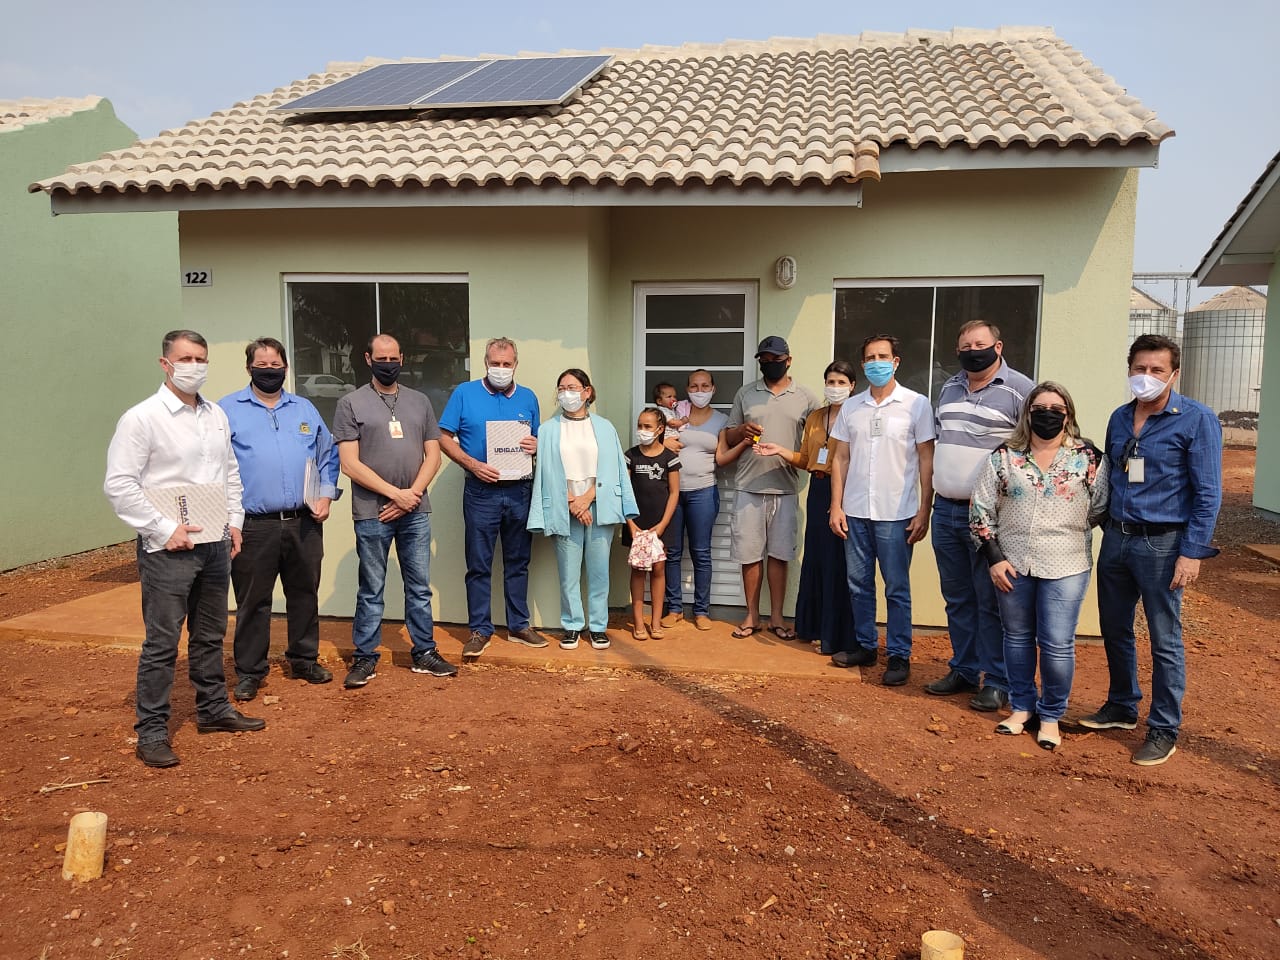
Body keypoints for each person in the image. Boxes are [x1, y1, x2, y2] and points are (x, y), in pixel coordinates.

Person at [104, 329, 265, 769]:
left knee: (210, 634)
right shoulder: (142, 418)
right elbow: (119, 485)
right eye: (186, 358)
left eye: (201, 358)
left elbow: (229, 472)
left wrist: (235, 523)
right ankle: (152, 730)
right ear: (165, 364)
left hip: (214, 543)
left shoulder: (215, 415)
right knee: (162, 642)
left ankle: (213, 709)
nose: (195, 365)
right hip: (168, 550)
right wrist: (162, 528)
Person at [1078, 334, 1223, 766]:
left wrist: (1192, 552)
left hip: (1164, 544)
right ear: (1129, 370)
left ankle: (1163, 727)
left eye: (1157, 370)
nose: (1147, 377)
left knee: (1164, 638)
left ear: (1173, 374)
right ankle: (1122, 705)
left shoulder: (1197, 419)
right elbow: (1114, 475)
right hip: (1117, 538)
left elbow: (1209, 493)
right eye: (1139, 368)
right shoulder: (1120, 418)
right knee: (1115, 628)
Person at [970, 382, 1109, 751]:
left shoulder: (1088, 458)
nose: (1047, 413)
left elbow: (1100, 507)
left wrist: (1065, 529)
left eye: (1056, 407)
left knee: (1057, 643)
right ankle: (1021, 708)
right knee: (1015, 638)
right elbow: (981, 509)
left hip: (1067, 563)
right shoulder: (1004, 457)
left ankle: (1050, 715)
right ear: (1027, 413)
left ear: (1069, 414)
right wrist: (995, 559)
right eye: (1039, 407)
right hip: (1012, 563)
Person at [218, 337, 341, 701]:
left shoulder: (304, 409)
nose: (269, 371)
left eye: (276, 365)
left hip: (303, 522)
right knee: (253, 600)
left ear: (286, 368)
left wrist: (326, 494)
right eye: (262, 365)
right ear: (249, 368)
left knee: (304, 593)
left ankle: (303, 659)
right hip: (255, 525)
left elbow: (327, 454)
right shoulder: (227, 411)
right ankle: (250, 671)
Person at [333, 333, 455, 689]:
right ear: (368, 359)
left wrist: (412, 495)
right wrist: (394, 495)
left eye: (394, 358)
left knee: (419, 586)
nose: (388, 364)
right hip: (373, 512)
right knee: (371, 587)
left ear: (403, 359)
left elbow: (433, 453)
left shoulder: (420, 402)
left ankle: (424, 652)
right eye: (381, 358)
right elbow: (349, 464)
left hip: (415, 510)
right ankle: (365, 657)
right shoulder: (351, 403)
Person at [927, 319, 1035, 710]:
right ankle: (964, 668)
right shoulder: (948, 387)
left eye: (980, 343)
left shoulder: (1020, 390)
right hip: (946, 510)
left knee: (991, 599)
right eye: (966, 345)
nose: (973, 350)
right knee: (957, 597)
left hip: (991, 518)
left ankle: (997, 680)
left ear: (998, 346)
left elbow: (1034, 447)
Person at [827, 337, 935, 685]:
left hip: (897, 512)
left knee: (896, 588)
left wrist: (924, 510)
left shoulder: (916, 405)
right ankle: (866, 645)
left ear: (896, 361)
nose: (876, 362)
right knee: (858, 584)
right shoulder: (852, 407)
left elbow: (925, 459)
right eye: (870, 357)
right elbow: (840, 458)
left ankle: (899, 655)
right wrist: (836, 505)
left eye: (883, 357)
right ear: (862, 364)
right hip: (856, 510)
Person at [437, 337, 546, 661]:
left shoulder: (528, 397)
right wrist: (472, 464)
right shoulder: (463, 394)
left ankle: (518, 625)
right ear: (485, 363)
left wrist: (536, 445)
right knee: (479, 564)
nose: (501, 369)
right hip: (481, 491)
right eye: (495, 363)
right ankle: (480, 630)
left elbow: (538, 437)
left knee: (518, 561)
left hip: (519, 490)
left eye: (507, 364)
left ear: (516, 364)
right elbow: (443, 437)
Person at [528, 368, 639, 650]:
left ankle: (598, 627)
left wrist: (587, 499)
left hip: (598, 506)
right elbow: (547, 473)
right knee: (568, 573)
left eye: (573, 387)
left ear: (587, 392)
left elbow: (612, 469)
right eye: (562, 387)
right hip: (564, 508)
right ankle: (572, 625)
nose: (567, 393)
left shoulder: (604, 427)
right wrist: (572, 502)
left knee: (600, 572)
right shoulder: (548, 429)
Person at [754, 361, 858, 654]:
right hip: (818, 489)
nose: (835, 388)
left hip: (849, 491)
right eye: (830, 382)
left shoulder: (858, 416)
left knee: (840, 562)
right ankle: (813, 627)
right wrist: (779, 450)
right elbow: (806, 459)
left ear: (852, 386)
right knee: (817, 559)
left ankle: (838, 636)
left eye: (841, 382)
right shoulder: (815, 417)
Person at [724, 335, 819, 639]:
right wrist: (742, 430)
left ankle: (777, 617)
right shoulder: (746, 393)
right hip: (747, 486)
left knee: (779, 555)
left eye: (776, 359)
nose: (770, 364)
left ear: (788, 360)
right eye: (764, 359)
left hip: (786, 488)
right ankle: (751, 616)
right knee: (750, 555)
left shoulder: (805, 396)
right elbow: (728, 435)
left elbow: (819, 438)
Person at [661, 369, 728, 631]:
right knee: (672, 553)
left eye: (704, 386)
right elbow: (653, 444)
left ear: (713, 388)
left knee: (701, 553)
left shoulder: (722, 420)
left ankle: (702, 611)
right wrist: (663, 443)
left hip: (704, 491)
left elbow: (723, 456)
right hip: (672, 493)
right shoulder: (672, 416)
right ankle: (674, 608)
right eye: (694, 386)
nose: (699, 390)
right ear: (687, 389)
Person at [624, 408, 681, 639]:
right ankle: (638, 623)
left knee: (658, 568)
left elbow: (675, 492)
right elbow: (624, 492)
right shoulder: (631, 456)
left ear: (660, 429)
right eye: (640, 425)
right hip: (637, 524)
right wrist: (630, 524)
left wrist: (664, 524)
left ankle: (655, 622)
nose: (642, 431)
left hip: (661, 524)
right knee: (638, 570)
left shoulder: (670, 458)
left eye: (647, 427)